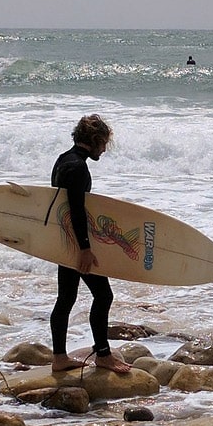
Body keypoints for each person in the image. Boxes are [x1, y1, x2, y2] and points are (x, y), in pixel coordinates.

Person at [49, 114, 132, 373]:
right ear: (94, 140)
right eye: (103, 143)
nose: (105, 149)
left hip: (65, 238)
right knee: (103, 295)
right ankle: (103, 355)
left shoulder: (64, 160)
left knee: (66, 298)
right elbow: (75, 210)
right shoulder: (77, 167)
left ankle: (60, 358)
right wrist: (84, 249)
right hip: (75, 242)